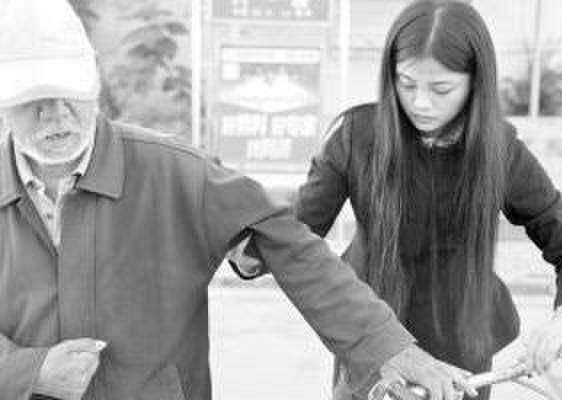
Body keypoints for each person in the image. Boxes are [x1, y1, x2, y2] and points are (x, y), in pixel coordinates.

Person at [0, 1, 479, 400]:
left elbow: (294, 249)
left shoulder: (177, 174)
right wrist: (27, 371)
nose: (55, 115)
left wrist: (389, 349)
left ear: (93, 85)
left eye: (69, 95)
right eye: (31, 100)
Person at [232, 1, 562, 399]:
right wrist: (236, 239)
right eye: (407, 84)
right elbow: (295, 234)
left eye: (441, 89)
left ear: (475, 83)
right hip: (372, 344)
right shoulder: (355, 136)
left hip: (462, 348)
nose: (421, 103)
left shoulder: (501, 151)